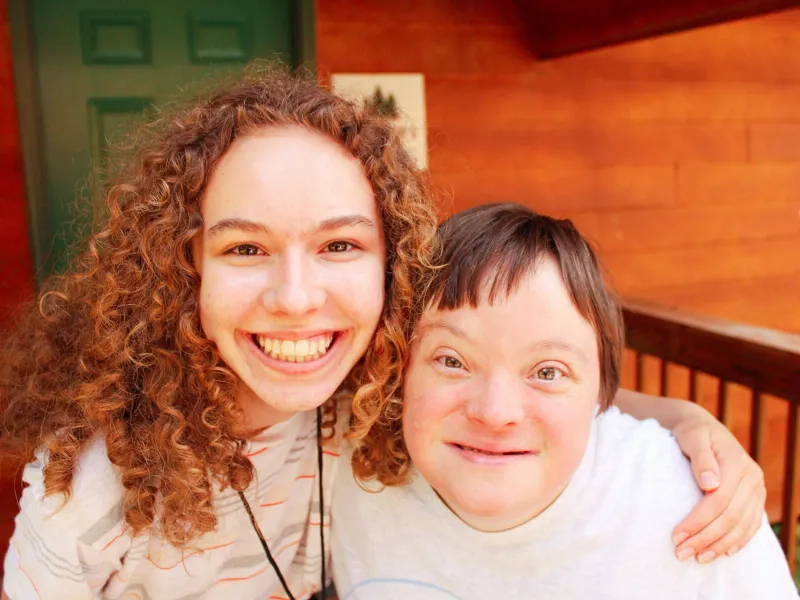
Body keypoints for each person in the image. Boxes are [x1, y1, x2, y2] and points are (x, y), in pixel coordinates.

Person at [0, 68, 766, 600]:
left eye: (339, 245)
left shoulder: (364, 403)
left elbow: (518, 384)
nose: (296, 299)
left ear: (394, 268)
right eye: (245, 248)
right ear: (181, 267)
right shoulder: (87, 497)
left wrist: (687, 423)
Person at [332, 202, 796, 600]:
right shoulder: (344, 452)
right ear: (398, 369)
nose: (495, 414)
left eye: (547, 372)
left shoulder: (698, 509)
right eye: (452, 361)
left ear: (599, 390)